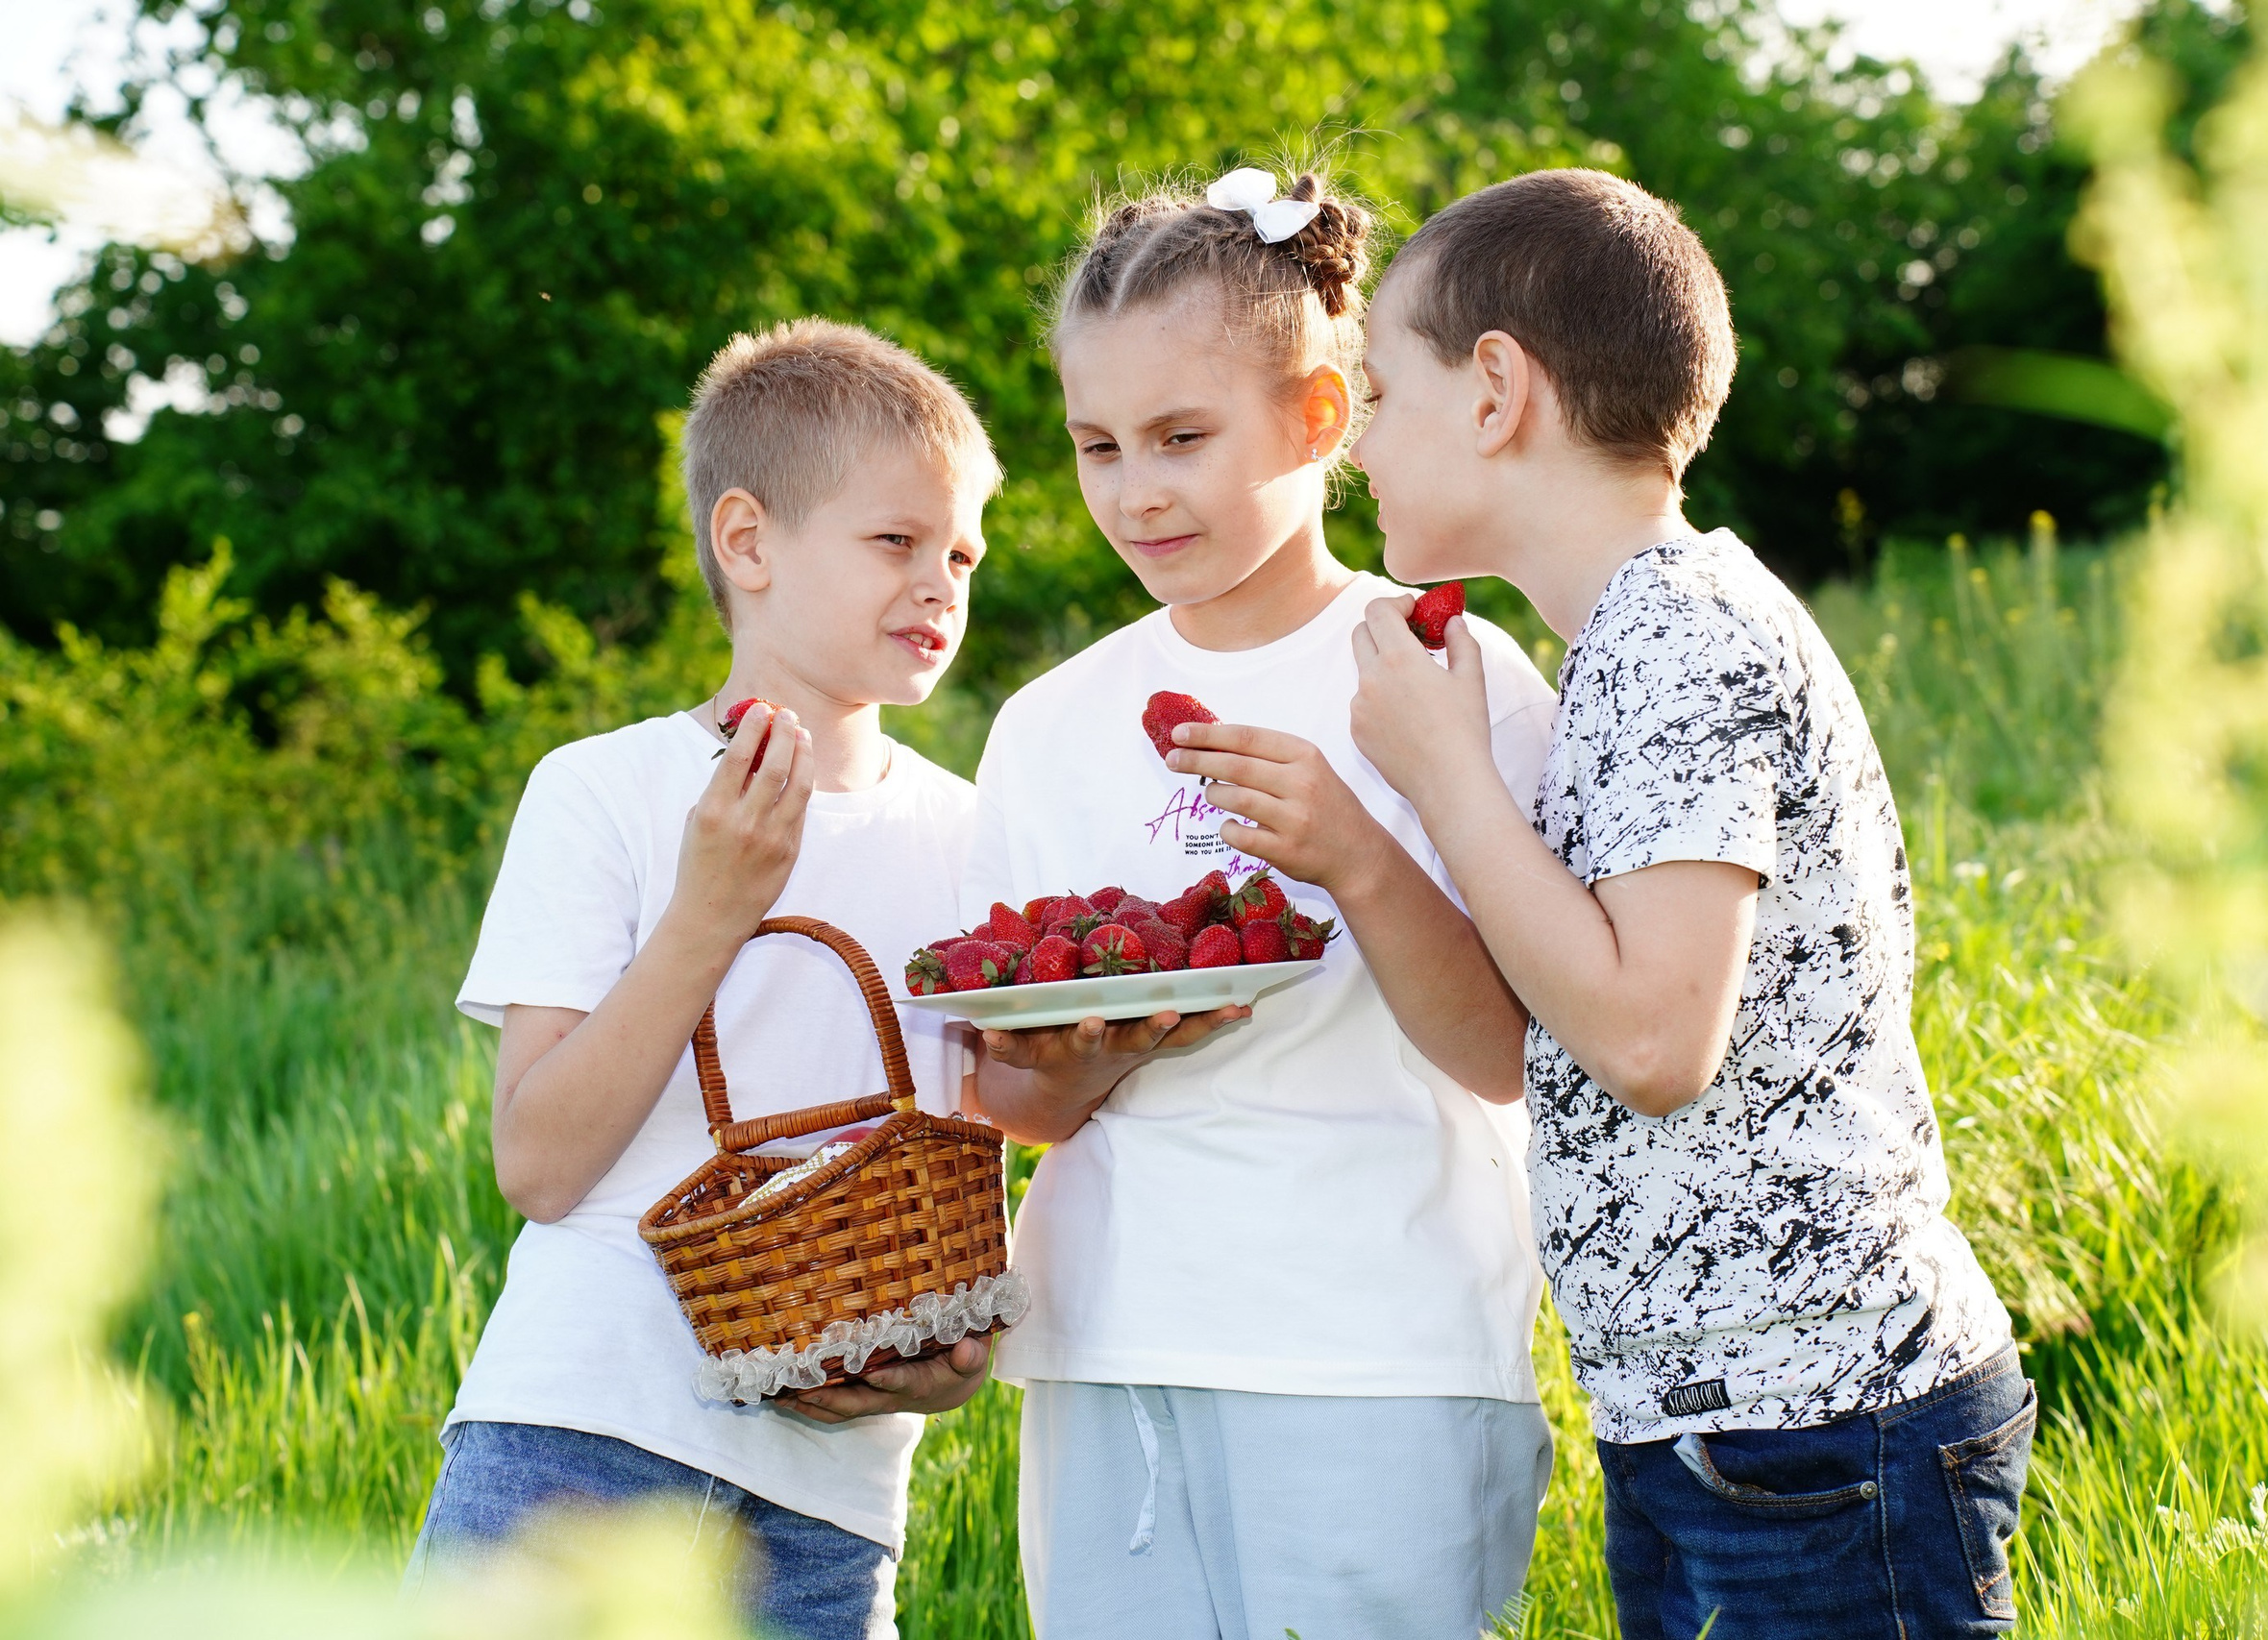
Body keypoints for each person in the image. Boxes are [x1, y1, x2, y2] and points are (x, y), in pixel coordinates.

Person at [1345, 167, 2032, 1638]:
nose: (1355, 442)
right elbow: (1565, 1022)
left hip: (1822, 1421)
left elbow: (1656, 1042)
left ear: (1494, 392)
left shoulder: (1682, 637)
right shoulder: (1624, 644)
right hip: (1718, 1414)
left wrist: (1449, 779)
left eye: (1377, 394)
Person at [964, 167, 1560, 1640]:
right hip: (1113, 1339)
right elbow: (1014, 1102)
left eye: (1181, 437)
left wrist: (1355, 853)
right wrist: (1105, 1041)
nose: (1134, 490)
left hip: (1374, 1343)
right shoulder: (1048, 722)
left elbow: (1516, 1053)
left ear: (1319, 416)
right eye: (1096, 445)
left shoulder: (1444, 668)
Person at [411, 318, 1000, 1640]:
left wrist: (957, 1356)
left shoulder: (974, 834)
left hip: (829, 1501)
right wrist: (713, 910)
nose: (941, 584)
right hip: (584, 1440)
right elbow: (542, 1167)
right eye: (896, 541)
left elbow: (971, 1155)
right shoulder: (606, 790)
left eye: (961, 552)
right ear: (748, 543)